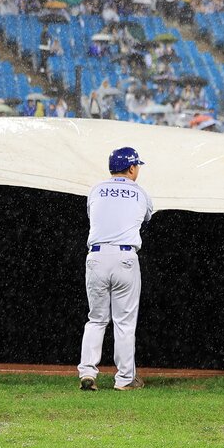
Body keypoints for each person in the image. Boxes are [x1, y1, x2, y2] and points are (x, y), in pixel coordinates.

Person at [77, 146, 153, 391]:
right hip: (124, 258)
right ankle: (124, 380)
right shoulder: (141, 193)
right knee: (124, 323)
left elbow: (95, 215)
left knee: (96, 319)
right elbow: (146, 218)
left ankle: (87, 373)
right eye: (137, 165)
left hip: (97, 257)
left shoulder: (96, 190)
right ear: (131, 168)